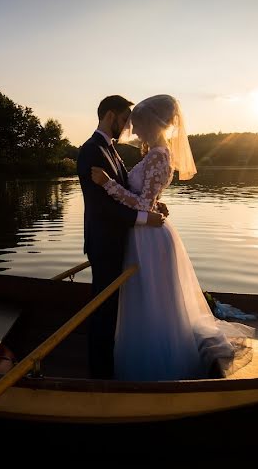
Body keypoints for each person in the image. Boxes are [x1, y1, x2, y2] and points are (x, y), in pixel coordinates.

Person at [90, 94, 254, 380]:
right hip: (144, 232)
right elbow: (149, 200)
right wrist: (156, 203)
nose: (134, 129)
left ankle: (159, 362)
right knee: (145, 299)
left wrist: (108, 185)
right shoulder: (155, 154)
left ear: (153, 124)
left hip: (149, 239)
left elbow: (141, 204)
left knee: (152, 299)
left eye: (138, 124)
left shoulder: (159, 156)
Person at [77, 95, 167, 379]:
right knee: (103, 309)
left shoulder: (111, 150)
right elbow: (101, 205)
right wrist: (144, 217)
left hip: (122, 240)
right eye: (125, 118)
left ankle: (111, 363)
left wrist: (152, 205)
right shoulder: (91, 150)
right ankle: (99, 375)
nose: (129, 125)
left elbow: (131, 193)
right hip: (104, 241)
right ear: (110, 116)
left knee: (113, 308)